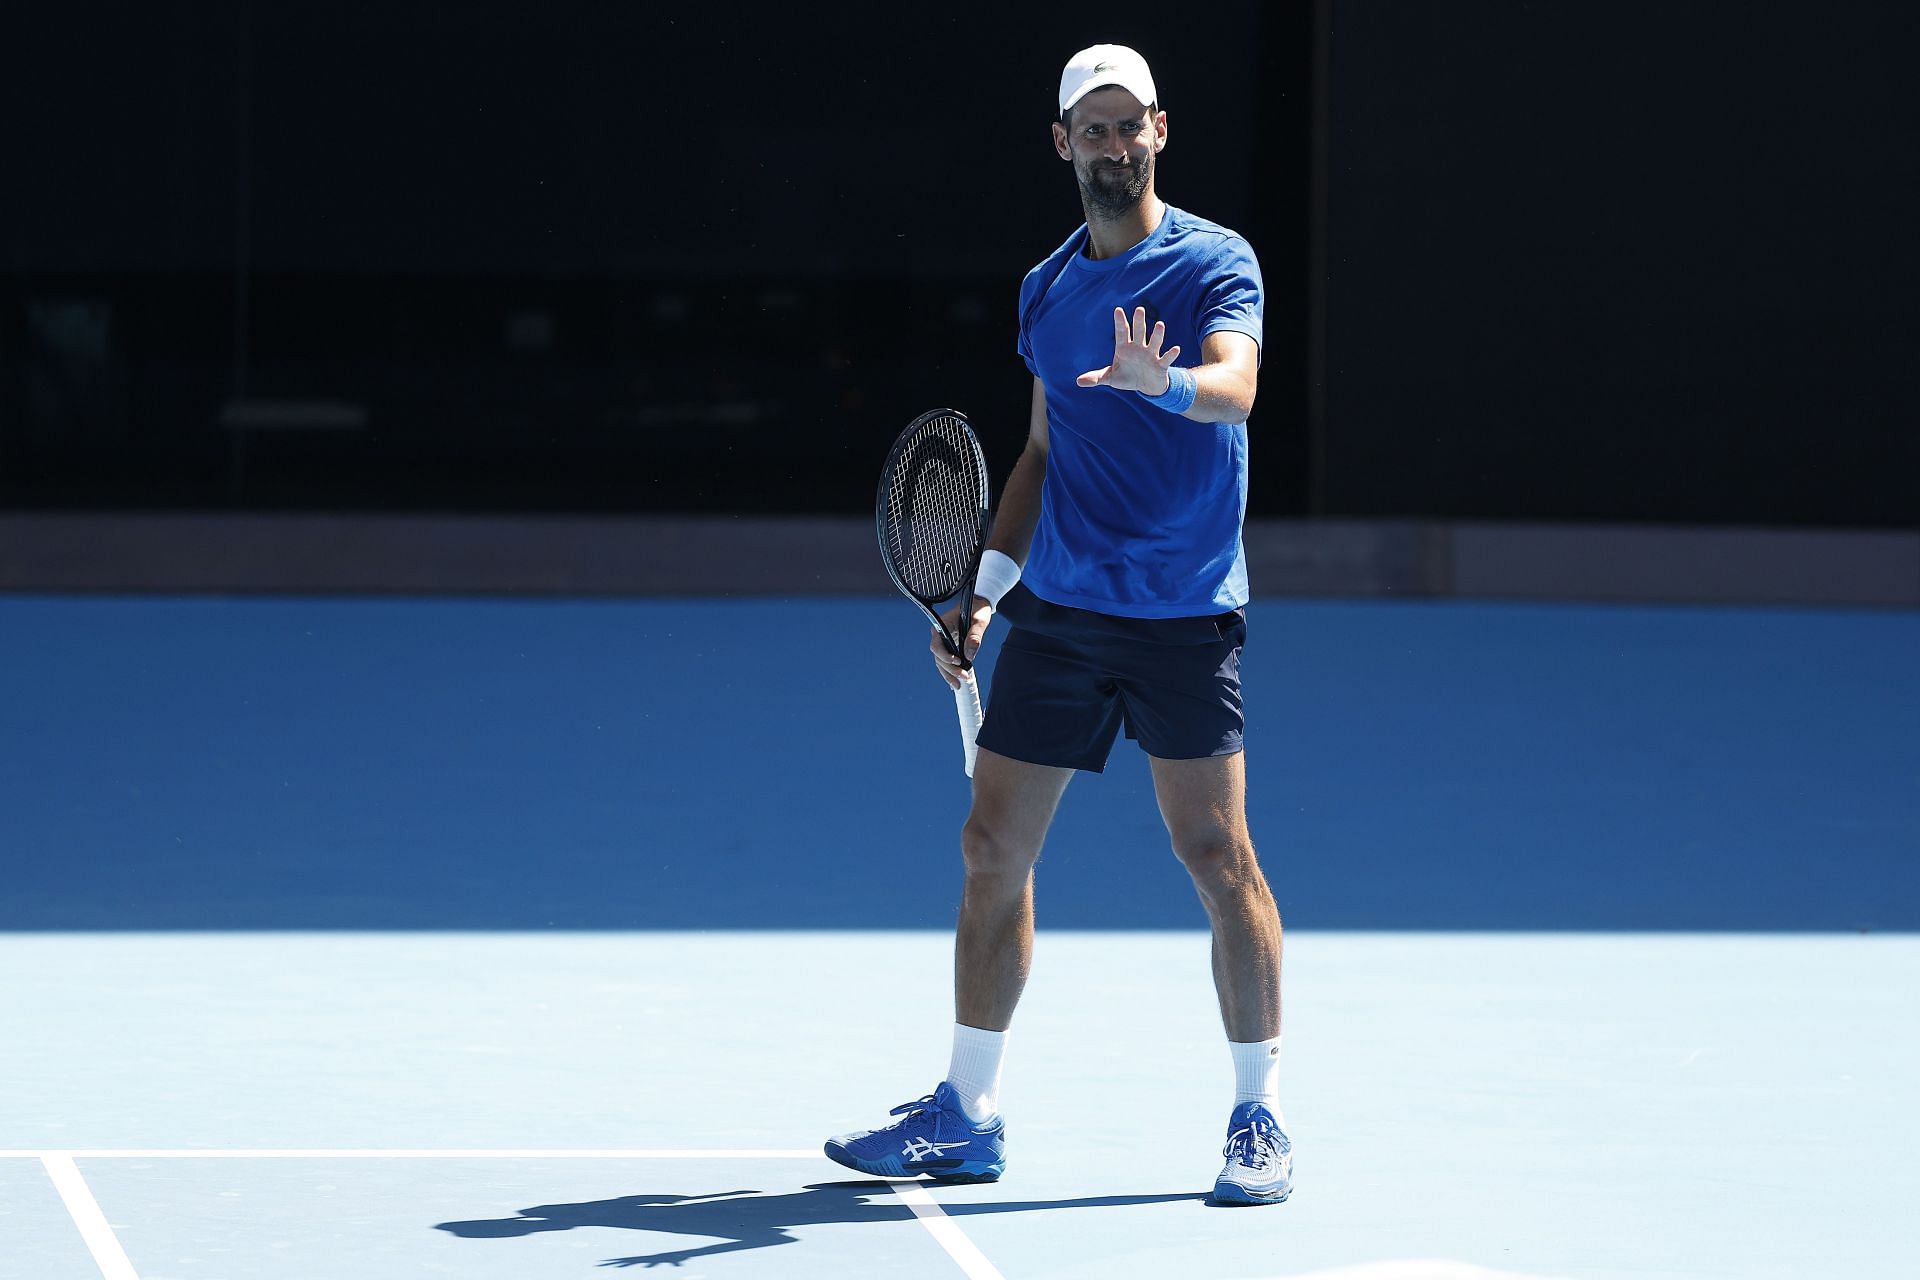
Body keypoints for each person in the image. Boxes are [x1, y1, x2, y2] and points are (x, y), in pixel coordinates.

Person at [826, 43, 1291, 1206]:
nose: (1113, 142)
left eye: (1130, 123)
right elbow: (1038, 451)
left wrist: (1167, 384)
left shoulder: (1214, 262)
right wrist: (984, 582)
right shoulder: (1046, 290)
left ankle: (1258, 1119)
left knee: (1216, 857)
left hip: (1185, 618)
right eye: (1093, 126)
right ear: (1063, 143)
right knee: (992, 849)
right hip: (1065, 615)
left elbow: (1238, 380)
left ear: (1160, 132)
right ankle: (966, 1111)